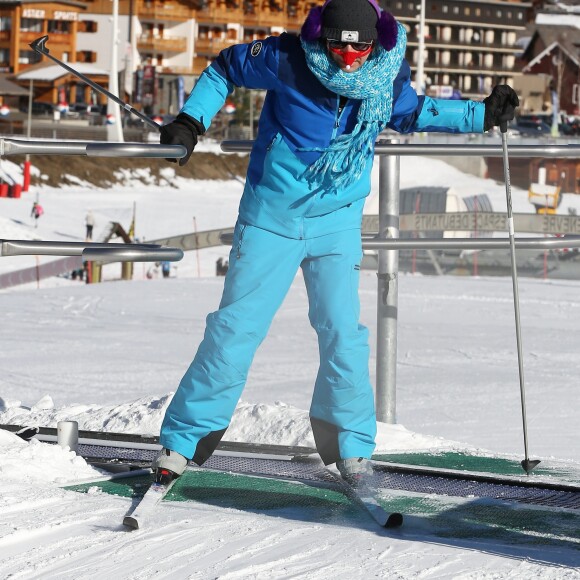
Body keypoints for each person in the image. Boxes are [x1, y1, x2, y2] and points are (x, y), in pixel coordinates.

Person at [153, 0, 519, 484]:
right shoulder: (287, 57)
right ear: (323, 37)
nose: (348, 58)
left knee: (343, 335)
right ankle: (183, 441)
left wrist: (482, 114)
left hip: (337, 222)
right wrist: (191, 121)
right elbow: (225, 68)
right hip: (271, 219)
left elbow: (411, 113)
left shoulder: (384, 73)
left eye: (360, 48)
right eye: (338, 46)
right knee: (234, 330)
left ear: (376, 42)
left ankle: (348, 445)